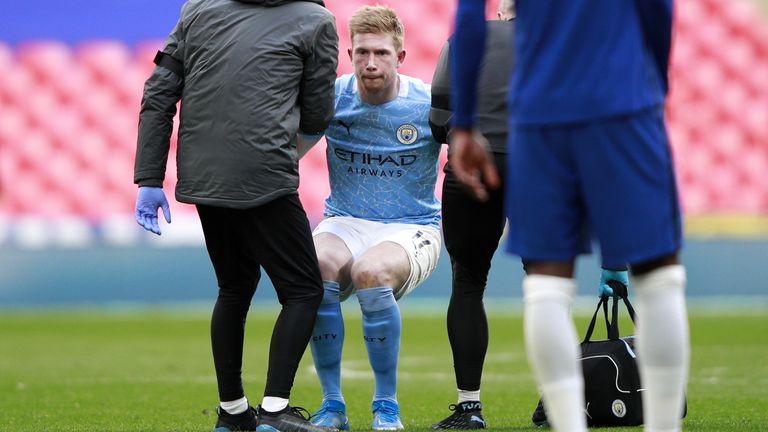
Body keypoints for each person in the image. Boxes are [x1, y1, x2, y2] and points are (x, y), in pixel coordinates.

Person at [449, 1, 689, 432]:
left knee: (546, 284)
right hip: (623, 99)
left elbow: (469, 19)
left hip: (541, 113)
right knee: (658, 276)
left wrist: (464, 121)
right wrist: (655, 84)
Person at [132, 1, 339, 431]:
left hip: (203, 177)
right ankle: (276, 412)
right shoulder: (315, 21)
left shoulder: (198, 9)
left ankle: (231, 412)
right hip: (264, 173)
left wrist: (150, 177)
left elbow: (158, 93)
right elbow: (319, 113)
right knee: (302, 290)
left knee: (234, 286)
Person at [429, 1, 630, 429]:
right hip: (540, 166)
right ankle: (561, 401)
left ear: (502, 13)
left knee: (467, 283)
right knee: (546, 289)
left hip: (473, 166)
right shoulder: (567, 44)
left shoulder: (467, 38)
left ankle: (469, 409)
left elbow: (439, 115)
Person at [296, 6, 442, 431]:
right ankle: (332, 407)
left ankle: (386, 407)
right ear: (349, 53)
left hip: (412, 225)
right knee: (315, 267)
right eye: (362, 52)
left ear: (400, 57)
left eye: (380, 52)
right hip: (346, 220)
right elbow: (289, 153)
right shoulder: (333, 98)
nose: (370, 63)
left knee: (370, 272)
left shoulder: (429, 104)